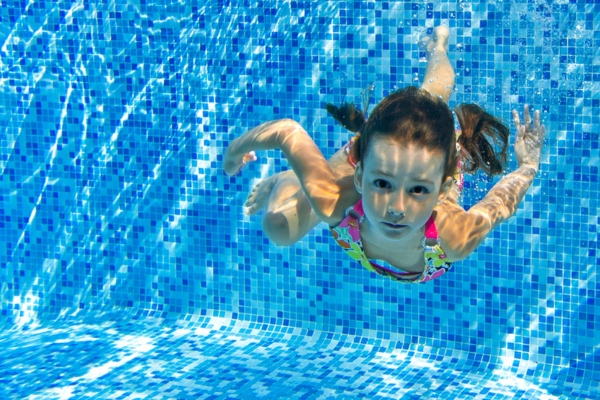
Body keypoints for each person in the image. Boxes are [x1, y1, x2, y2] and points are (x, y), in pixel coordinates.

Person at [223, 26, 546, 284]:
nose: (396, 208)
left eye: (418, 191)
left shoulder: (455, 237)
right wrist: (234, 151)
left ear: (444, 190)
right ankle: (292, 177)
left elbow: (496, 207)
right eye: (382, 185)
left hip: (421, 159)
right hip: (375, 156)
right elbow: (285, 131)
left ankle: (438, 48)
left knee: (433, 98)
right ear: (361, 176)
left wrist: (528, 166)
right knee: (279, 229)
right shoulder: (338, 199)